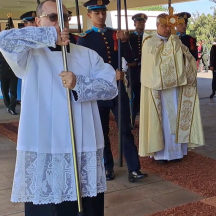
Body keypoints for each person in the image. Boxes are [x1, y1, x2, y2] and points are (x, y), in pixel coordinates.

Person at [0, 0, 119, 215]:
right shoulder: (28, 56)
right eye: (53, 18)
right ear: (38, 21)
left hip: (80, 139)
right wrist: (50, 36)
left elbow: (110, 88)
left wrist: (79, 83)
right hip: (44, 139)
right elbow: (3, 39)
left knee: (85, 203)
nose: (60, 23)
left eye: (65, 17)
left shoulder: (86, 55)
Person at [77, 0, 147, 182]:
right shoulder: (84, 39)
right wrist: (109, 76)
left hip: (117, 90)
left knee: (125, 129)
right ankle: (107, 167)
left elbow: (131, 59)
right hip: (98, 92)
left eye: (103, 12)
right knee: (102, 131)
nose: (101, 16)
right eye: (97, 13)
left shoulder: (115, 34)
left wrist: (125, 42)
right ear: (89, 15)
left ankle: (134, 168)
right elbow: (84, 70)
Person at [138, 13, 205, 163]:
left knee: (176, 117)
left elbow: (187, 60)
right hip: (159, 91)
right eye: (163, 26)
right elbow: (158, 64)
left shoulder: (176, 42)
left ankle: (177, 152)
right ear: (156, 26)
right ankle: (161, 154)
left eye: (170, 26)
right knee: (163, 121)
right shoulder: (149, 42)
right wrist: (173, 44)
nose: (167, 29)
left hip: (175, 90)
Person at [125, 13, 148, 125]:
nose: (141, 24)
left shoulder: (148, 37)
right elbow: (126, 52)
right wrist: (131, 62)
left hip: (146, 69)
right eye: (139, 22)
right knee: (134, 95)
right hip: (133, 71)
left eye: (143, 22)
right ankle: (132, 119)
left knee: (144, 95)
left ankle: (144, 120)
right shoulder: (129, 37)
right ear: (135, 23)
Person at [0, 42, 18, 115]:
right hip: (3, 72)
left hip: (13, 72)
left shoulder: (14, 47)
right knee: (5, 91)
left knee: (13, 91)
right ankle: (8, 105)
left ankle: (12, 108)